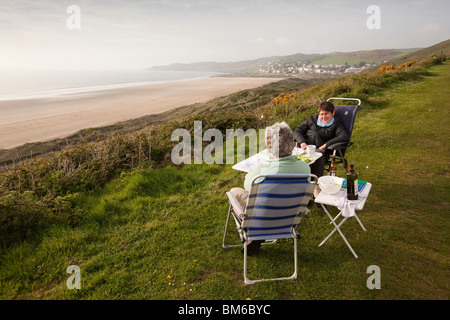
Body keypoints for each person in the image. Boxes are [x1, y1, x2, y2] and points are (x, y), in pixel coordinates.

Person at [229, 121, 310, 255]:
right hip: (289, 218)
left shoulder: (262, 170)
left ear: (269, 147)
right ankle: (256, 236)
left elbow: (247, 186)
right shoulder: (305, 168)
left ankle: (253, 234)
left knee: (234, 192)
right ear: (292, 145)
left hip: (262, 219)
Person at [293, 101, 349, 197]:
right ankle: (301, 190)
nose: (323, 117)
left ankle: (316, 189)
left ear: (333, 113)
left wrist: (326, 145)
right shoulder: (313, 119)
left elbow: (344, 136)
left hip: (320, 152)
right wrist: (302, 141)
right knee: (293, 160)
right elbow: (298, 130)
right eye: (321, 114)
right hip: (304, 149)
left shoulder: (336, 123)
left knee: (316, 159)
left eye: (326, 114)